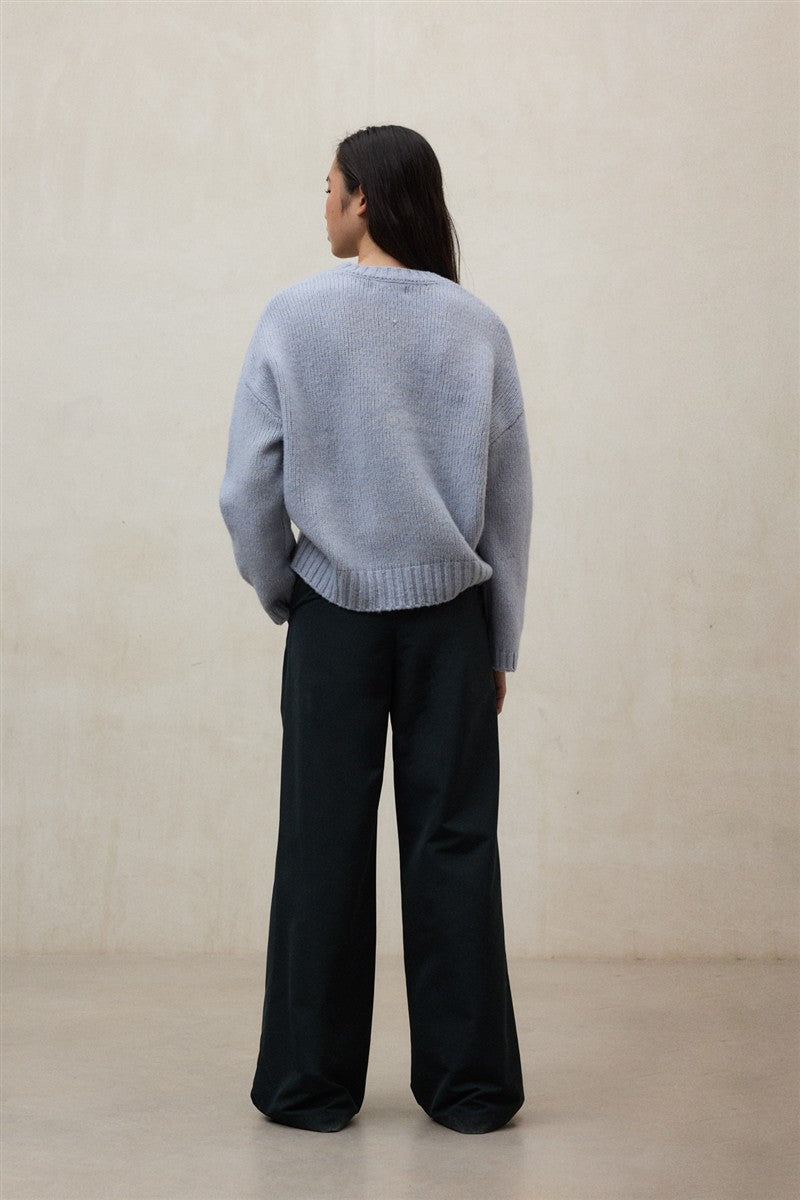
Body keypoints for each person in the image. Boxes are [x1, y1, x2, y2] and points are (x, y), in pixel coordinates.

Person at [219, 124, 533, 1135]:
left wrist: (288, 592)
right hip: (449, 624)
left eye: (328, 187)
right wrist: (498, 642)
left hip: (333, 622)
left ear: (363, 200)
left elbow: (245, 490)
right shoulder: (476, 327)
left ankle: (308, 1088)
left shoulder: (293, 316)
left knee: (321, 844)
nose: (322, 204)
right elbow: (508, 504)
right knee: (454, 844)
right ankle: (470, 1090)